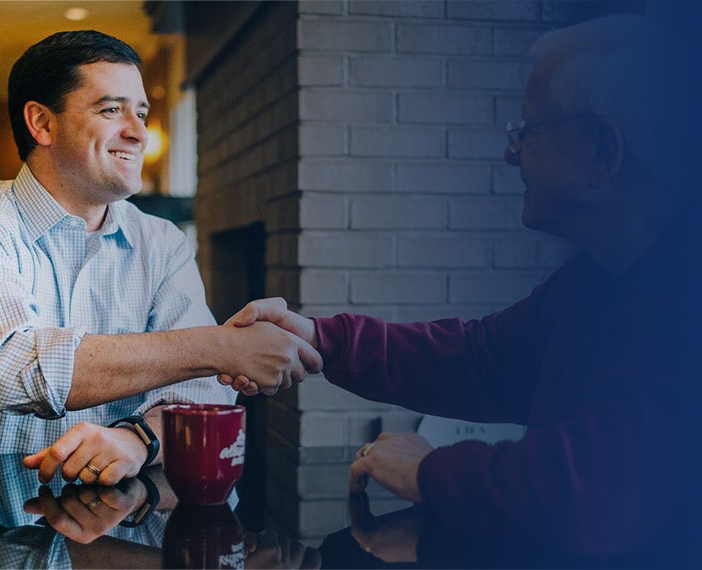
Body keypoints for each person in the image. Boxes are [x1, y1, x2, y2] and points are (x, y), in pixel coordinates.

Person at [220, 15, 701, 557]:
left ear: (599, 152)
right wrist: (320, 337)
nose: (510, 153)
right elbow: (476, 357)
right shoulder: (596, 277)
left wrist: (427, 471)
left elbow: (592, 493)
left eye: (529, 131)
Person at [0, 31, 321, 485]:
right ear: (42, 124)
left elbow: (202, 392)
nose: (139, 132)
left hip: (117, 526)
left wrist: (139, 438)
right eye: (111, 110)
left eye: (141, 112)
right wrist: (219, 345)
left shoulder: (161, 241)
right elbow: (10, 371)